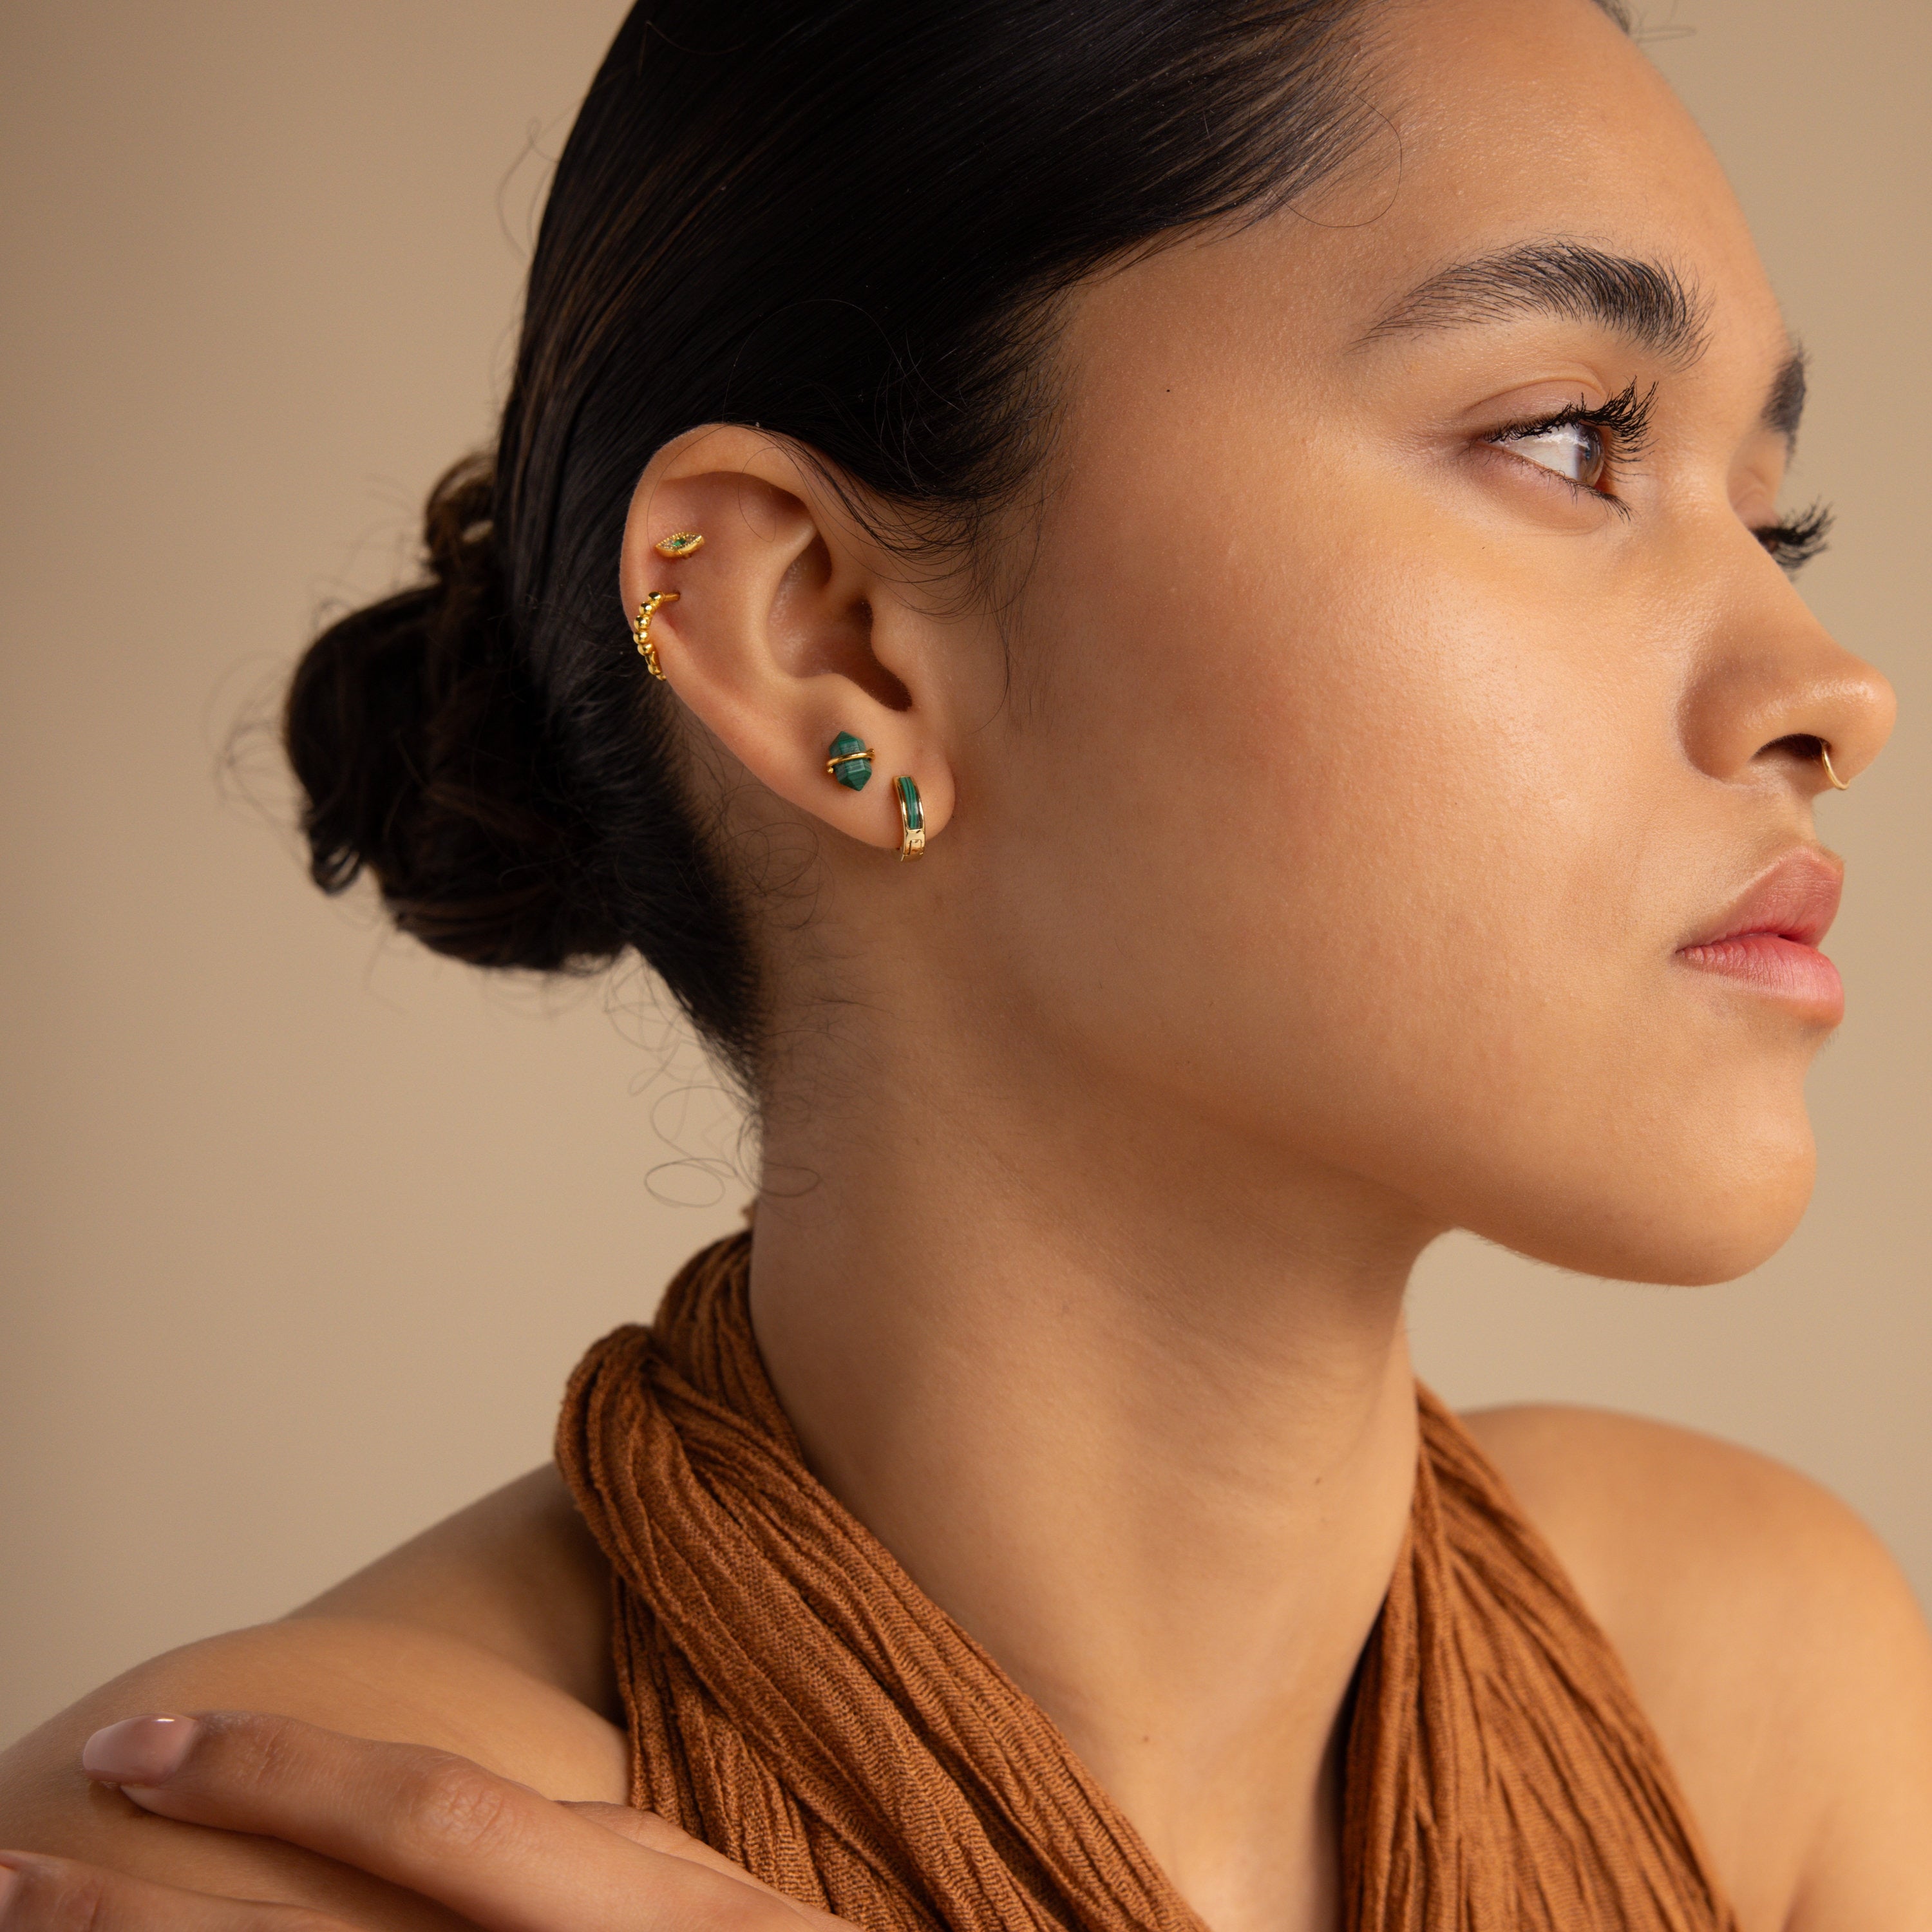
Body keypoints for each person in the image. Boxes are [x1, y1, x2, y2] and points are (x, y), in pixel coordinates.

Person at [2, 0, 1928, 1925]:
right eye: (1570, 440)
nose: (1834, 694)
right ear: (826, 642)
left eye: (1774, 517)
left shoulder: (1750, 1684)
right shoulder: (279, 1865)